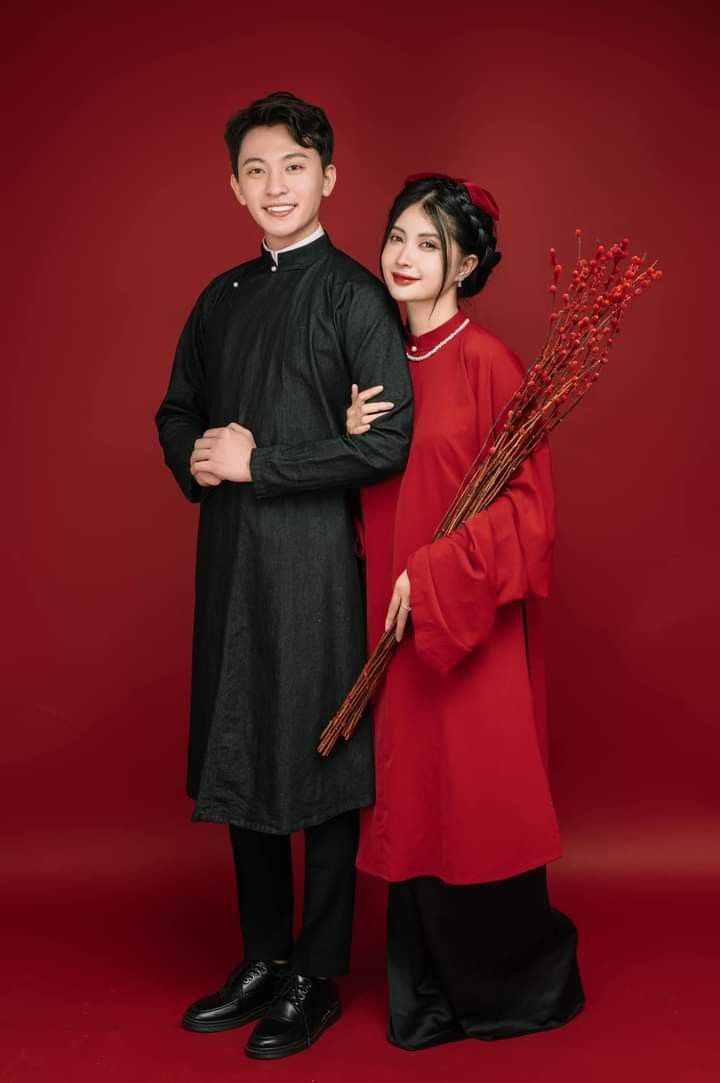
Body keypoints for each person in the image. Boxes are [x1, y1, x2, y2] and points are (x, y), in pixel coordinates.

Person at [155, 91, 412, 1061]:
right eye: (256, 169)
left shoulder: (353, 296)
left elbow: (389, 439)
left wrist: (261, 461)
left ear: (328, 177)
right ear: (234, 185)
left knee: (321, 755)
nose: (275, 185)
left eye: (293, 166)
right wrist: (199, 458)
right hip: (230, 560)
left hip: (317, 565)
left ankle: (316, 973)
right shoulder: (219, 297)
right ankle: (262, 955)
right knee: (241, 742)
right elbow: (176, 410)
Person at [346, 173, 584, 1049]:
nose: (403, 257)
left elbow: (531, 514)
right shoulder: (375, 365)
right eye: (396, 237)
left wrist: (439, 570)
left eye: (429, 244)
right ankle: (425, 998)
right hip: (392, 626)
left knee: (476, 795)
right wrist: (347, 439)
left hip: (465, 624)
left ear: (468, 265)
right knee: (413, 796)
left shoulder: (490, 363)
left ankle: (512, 991)